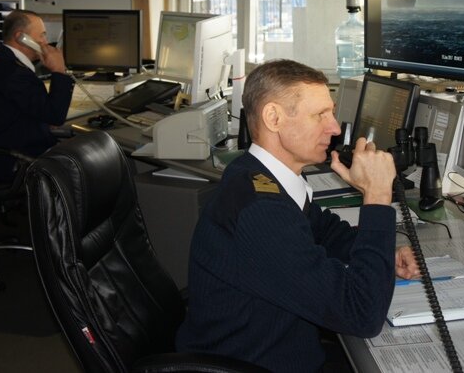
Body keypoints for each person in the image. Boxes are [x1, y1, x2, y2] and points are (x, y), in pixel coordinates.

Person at [176, 59, 419, 372]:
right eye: (320, 115)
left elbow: (325, 231)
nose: (334, 128)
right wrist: (377, 197)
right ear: (274, 117)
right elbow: (362, 316)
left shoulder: (257, 174)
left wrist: (387, 252)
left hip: (278, 348)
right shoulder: (260, 211)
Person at [0, 9, 74, 182]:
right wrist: (59, 71)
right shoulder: (14, 72)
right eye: (41, 35)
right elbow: (56, 116)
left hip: (11, 149)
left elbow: (20, 108)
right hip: (15, 160)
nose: (45, 42)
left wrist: (42, 119)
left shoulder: (3, 62)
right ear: (21, 37)